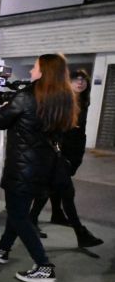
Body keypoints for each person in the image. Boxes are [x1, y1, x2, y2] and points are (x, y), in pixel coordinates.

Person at [0, 54, 78, 282]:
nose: (31, 71)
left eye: (34, 67)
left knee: (18, 214)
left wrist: (7, 104)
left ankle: (44, 265)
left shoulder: (26, 97)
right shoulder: (64, 99)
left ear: (43, 71)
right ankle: (2, 249)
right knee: (19, 210)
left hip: (22, 168)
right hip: (45, 168)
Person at [29, 69, 103, 247]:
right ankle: (80, 233)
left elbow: (79, 132)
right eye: (76, 80)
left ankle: (51, 215)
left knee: (53, 187)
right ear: (68, 82)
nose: (80, 83)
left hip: (72, 152)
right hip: (59, 152)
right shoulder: (63, 101)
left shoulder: (83, 102)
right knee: (65, 191)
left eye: (83, 80)